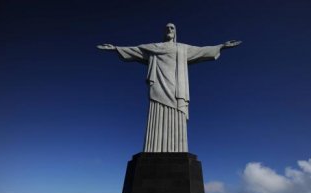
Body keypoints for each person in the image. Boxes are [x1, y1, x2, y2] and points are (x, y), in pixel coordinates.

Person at [97, 23, 241, 153]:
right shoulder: (154, 48)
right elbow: (136, 50)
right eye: (167, 28)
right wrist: (116, 49)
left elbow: (202, 51)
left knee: (177, 116)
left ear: (175, 32)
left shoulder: (183, 48)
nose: (169, 30)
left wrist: (221, 46)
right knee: (157, 112)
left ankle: (177, 149)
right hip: (159, 86)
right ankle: (153, 149)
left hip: (177, 88)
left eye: (172, 28)